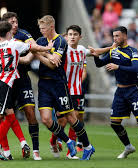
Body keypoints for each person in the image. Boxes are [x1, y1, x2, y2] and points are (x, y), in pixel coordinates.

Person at [0, 21, 52, 161]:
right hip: (5, 85)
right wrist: (47, 47)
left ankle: (4, 145)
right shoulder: (14, 43)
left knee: (9, 115)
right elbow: (32, 47)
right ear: (9, 32)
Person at [33, 15, 95, 160]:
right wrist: (38, 51)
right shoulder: (41, 41)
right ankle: (68, 141)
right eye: (40, 28)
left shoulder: (61, 41)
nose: (41, 31)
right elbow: (32, 50)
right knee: (46, 120)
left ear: (51, 27)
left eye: (43, 28)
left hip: (58, 84)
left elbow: (53, 64)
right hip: (44, 85)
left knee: (71, 118)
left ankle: (88, 146)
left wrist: (38, 53)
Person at [92, 26, 138, 159]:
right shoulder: (112, 51)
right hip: (120, 91)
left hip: (133, 90)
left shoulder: (133, 51)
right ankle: (128, 147)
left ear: (125, 36)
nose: (115, 39)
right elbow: (99, 64)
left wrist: (117, 66)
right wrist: (96, 56)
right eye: (113, 36)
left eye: (117, 36)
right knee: (114, 122)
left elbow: (135, 68)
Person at [1, 12, 41, 160]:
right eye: (12, 22)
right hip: (6, 82)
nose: (16, 25)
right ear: (5, 24)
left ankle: (36, 150)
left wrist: (22, 59)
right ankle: (2, 149)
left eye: (16, 21)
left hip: (22, 79)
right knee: (3, 116)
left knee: (30, 112)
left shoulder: (24, 34)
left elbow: (34, 48)